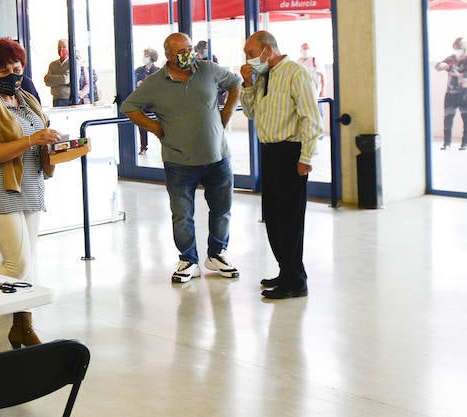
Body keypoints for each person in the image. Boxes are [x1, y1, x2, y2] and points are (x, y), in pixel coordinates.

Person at [0, 38, 60, 352]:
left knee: (28, 265)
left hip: (30, 189)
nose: (12, 74)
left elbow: (38, 134)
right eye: (3, 69)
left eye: (16, 68)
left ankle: (22, 326)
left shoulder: (26, 98)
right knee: (17, 264)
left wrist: (54, 144)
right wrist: (32, 139)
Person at [122, 33, 242, 285]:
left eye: (189, 48)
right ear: (168, 55)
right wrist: (154, 128)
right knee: (182, 214)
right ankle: (188, 260)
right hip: (179, 161)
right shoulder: (155, 83)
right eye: (181, 51)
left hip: (217, 156)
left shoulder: (208, 69)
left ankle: (217, 254)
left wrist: (228, 111)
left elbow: (236, 83)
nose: (188, 54)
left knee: (221, 210)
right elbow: (129, 107)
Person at [240, 30, 324, 301]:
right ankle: (285, 270)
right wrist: (248, 84)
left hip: (290, 152)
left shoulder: (296, 73)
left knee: (290, 220)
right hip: (269, 152)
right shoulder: (264, 76)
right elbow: (252, 113)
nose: (248, 58)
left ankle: (296, 281)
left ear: (267, 50)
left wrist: (306, 158)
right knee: (274, 218)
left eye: (251, 53)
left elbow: (311, 118)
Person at [436, 38, 467, 151]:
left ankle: (464, 143)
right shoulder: (451, 58)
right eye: (455, 48)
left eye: (459, 48)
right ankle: (446, 143)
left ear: (464, 48)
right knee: (448, 118)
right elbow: (438, 66)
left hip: (465, 93)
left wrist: (455, 71)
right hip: (451, 93)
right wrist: (442, 65)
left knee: (466, 118)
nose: (457, 51)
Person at [133, 48, 161, 153]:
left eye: (146, 56)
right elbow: (133, 82)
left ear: (152, 58)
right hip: (142, 103)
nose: (144, 58)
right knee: (142, 125)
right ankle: (143, 147)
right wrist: (137, 84)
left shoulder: (158, 71)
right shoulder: (139, 70)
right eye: (144, 55)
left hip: (155, 104)